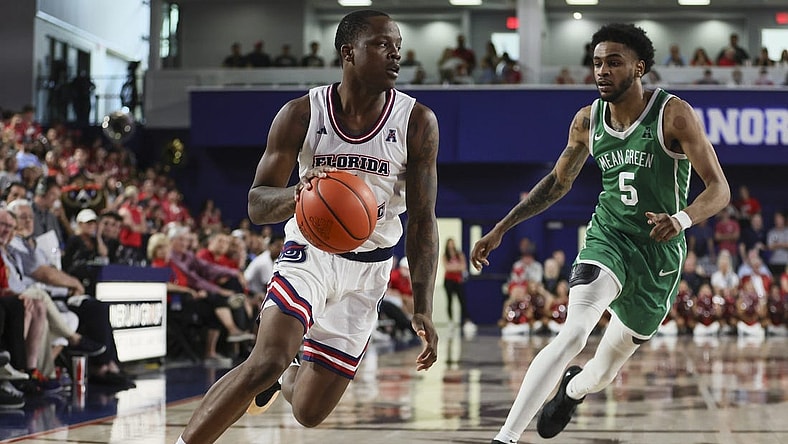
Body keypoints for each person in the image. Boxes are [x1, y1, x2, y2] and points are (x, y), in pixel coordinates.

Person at [176, 10, 439, 444]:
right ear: (347, 52)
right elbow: (258, 205)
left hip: (368, 271)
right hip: (311, 254)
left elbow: (423, 221)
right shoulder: (301, 114)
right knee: (267, 359)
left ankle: (285, 380)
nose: (395, 54)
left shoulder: (417, 122)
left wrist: (423, 306)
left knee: (309, 413)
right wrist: (300, 195)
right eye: (381, 44)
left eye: (397, 45)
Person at [470, 23, 730, 444]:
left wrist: (681, 219)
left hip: (659, 254)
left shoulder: (674, 114)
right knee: (573, 331)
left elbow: (719, 188)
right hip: (608, 237)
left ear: (639, 67)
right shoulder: (587, 120)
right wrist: (502, 227)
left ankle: (571, 391)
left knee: (605, 370)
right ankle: (506, 437)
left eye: (613, 62)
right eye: (596, 63)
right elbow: (556, 183)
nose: (602, 71)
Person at [442, 238, 471, 328]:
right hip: (448, 281)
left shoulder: (460, 254)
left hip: (458, 280)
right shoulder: (445, 255)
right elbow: (447, 267)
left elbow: (463, 266)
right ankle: (450, 321)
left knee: (462, 301)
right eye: (450, 243)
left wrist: (454, 267)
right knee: (449, 301)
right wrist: (456, 267)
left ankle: (466, 321)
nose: (451, 245)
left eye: (453, 243)